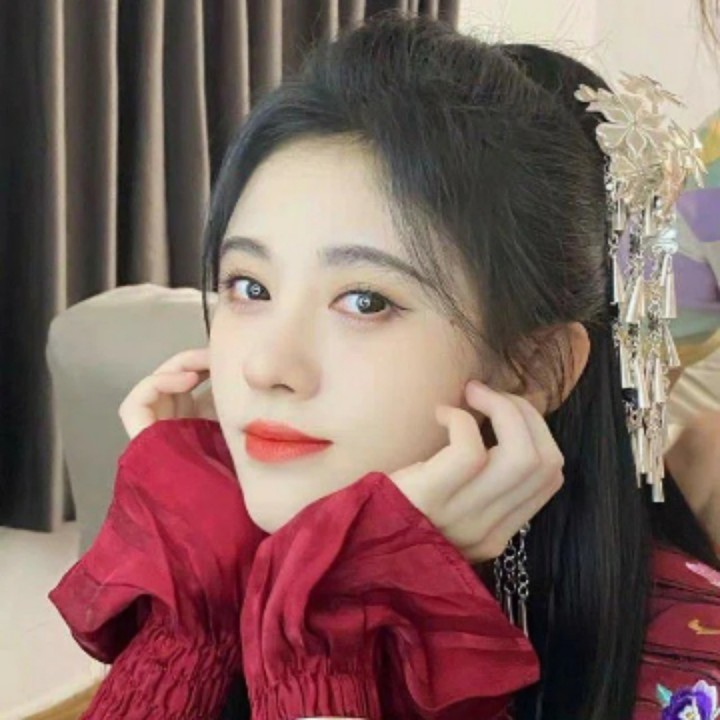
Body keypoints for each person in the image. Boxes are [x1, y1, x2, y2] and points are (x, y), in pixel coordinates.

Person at [48, 13, 720, 720]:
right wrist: (198, 598)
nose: (266, 367)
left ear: (533, 368)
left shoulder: (690, 675)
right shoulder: (227, 572)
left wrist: (332, 616)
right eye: (250, 287)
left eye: (364, 301)